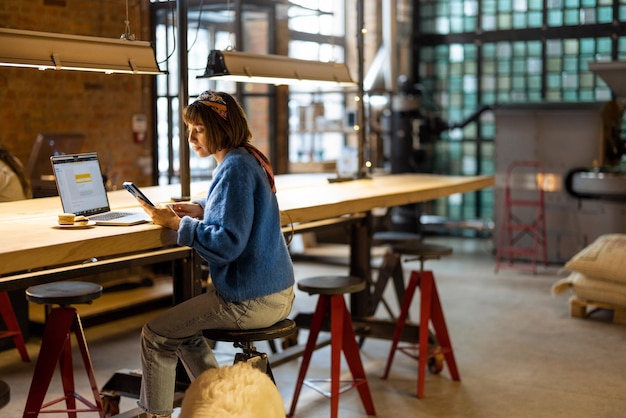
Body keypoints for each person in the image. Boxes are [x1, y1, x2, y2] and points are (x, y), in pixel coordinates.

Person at [134, 90, 295, 418]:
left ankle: (157, 415)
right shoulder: (248, 157)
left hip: (250, 300)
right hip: (277, 292)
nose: (190, 136)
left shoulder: (233, 167)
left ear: (221, 128)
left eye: (199, 129)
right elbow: (236, 211)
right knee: (183, 332)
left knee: (156, 335)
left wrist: (180, 224)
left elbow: (226, 244)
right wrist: (202, 208)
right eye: (189, 128)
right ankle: (220, 405)